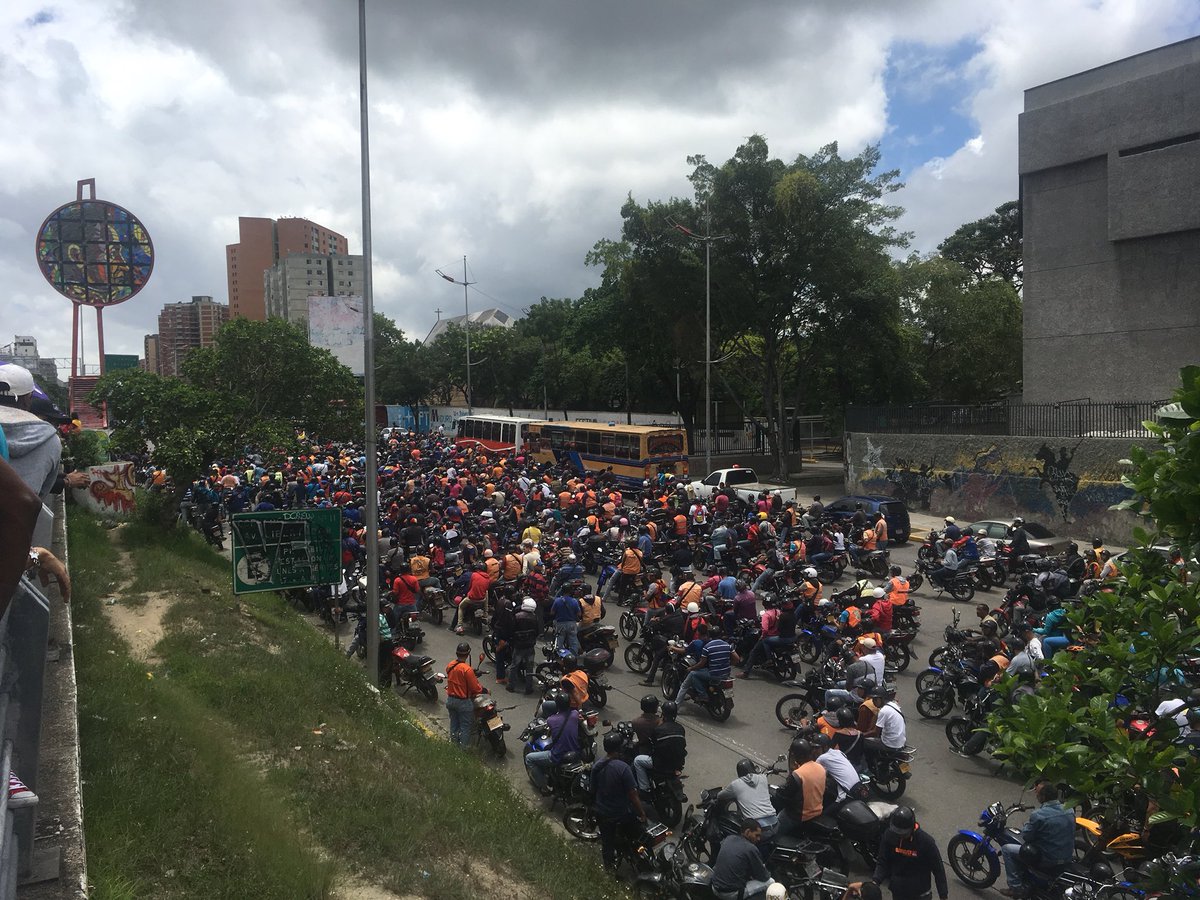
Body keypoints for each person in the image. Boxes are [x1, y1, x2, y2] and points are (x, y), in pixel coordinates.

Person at [1000, 781, 1075, 898]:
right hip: (1066, 857)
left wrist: (1026, 826)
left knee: (1007, 849)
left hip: (1047, 859)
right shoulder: (1070, 810)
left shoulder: (1039, 815)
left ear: (1043, 797)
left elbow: (1026, 836)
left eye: (1038, 793)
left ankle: (1015, 888)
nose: (1036, 795)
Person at [865, 806, 949, 900]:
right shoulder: (889, 835)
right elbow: (883, 861)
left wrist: (943, 895)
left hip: (921, 895)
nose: (900, 837)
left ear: (912, 828)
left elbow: (938, 870)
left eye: (903, 834)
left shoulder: (926, 842)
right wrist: (876, 881)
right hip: (898, 892)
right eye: (897, 833)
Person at [591, 731, 647, 870]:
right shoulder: (623, 768)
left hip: (602, 812)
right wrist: (642, 813)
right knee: (638, 832)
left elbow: (593, 789)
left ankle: (609, 868)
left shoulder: (597, 766)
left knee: (607, 843)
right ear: (620, 748)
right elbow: (633, 795)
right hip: (621, 812)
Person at [774, 739, 833, 838]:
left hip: (799, 815)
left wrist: (778, 792)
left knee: (774, 831)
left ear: (797, 756)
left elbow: (784, 795)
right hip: (818, 811)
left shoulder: (798, 774)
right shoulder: (821, 768)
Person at [524, 694, 581, 793]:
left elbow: (549, 731)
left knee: (529, 759)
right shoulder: (575, 714)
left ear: (557, 705)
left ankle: (544, 787)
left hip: (557, 756)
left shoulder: (551, 720)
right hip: (575, 751)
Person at [717, 759, 779, 849]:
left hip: (759, 830)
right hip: (775, 824)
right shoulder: (763, 778)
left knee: (736, 844)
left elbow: (720, 795)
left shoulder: (735, 785)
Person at [711, 819, 777, 900]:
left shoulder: (729, 838)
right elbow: (764, 877)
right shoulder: (750, 848)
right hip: (729, 894)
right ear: (747, 832)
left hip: (715, 887)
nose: (759, 839)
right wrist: (767, 871)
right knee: (771, 882)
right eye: (756, 835)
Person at [675, 624, 739, 706]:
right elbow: (737, 659)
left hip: (713, 674)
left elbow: (701, 664)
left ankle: (702, 695)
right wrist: (727, 664)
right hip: (726, 674)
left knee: (693, 674)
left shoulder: (707, 647)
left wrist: (691, 668)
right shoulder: (727, 645)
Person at [633, 700, 686, 793]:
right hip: (678, 763)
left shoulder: (658, 729)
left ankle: (644, 788)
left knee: (637, 761)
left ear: (663, 713)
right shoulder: (680, 728)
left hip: (661, 764)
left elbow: (651, 745)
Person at [444, 642, 483, 748]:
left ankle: (453, 746)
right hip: (463, 703)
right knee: (465, 727)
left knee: (454, 725)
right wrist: (483, 689)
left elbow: (456, 677)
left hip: (451, 700)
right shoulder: (467, 670)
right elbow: (475, 688)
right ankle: (462, 750)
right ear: (468, 654)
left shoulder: (450, 665)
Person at [507, 598, 539, 694]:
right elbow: (537, 631)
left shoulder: (517, 616)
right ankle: (529, 687)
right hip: (530, 646)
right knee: (530, 666)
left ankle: (511, 686)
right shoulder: (535, 618)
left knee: (514, 666)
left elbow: (511, 630)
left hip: (519, 646)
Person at [551, 586, 582, 654]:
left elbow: (552, 612)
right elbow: (579, 614)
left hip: (560, 625)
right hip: (571, 625)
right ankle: (573, 657)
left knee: (559, 643)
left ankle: (561, 658)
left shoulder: (557, 601)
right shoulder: (574, 601)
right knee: (573, 643)